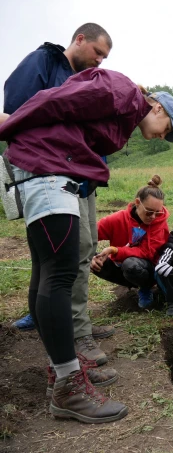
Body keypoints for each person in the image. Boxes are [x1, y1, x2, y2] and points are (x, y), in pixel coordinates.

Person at [0, 67, 173, 423]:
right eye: (167, 131)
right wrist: (8, 126)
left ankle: (62, 368)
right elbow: (56, 99)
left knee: (46, 272)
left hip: (49, 170)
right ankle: (69, 385)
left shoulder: (125, 108)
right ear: (158, 108)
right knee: (60, 274)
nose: (162, 138)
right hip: (46, 170)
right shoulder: (122, 91)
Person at [5, 23, 114, 366]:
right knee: (63, 260)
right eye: (97, 52)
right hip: (52, 176)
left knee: (84, 249)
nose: (99, 62)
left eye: (105, 58)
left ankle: (76, 325)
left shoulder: (85, 79)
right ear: (79, 40)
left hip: (84, 176)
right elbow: (16, 111)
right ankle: (75, 337)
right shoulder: (42, 63)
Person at [91, 175, 172, 309]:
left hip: (149, 270)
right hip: (121, 267)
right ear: (138, 203)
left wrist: (114, 250)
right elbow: (89, 236)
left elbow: (146, 253)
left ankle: (146, 288)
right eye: (149, 212)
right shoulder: (118, 219)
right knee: (89, 258)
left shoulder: (159, 224)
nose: (153, 217)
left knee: (131, 264)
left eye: (158, 213)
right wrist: (93, 257)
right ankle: (132, 283)